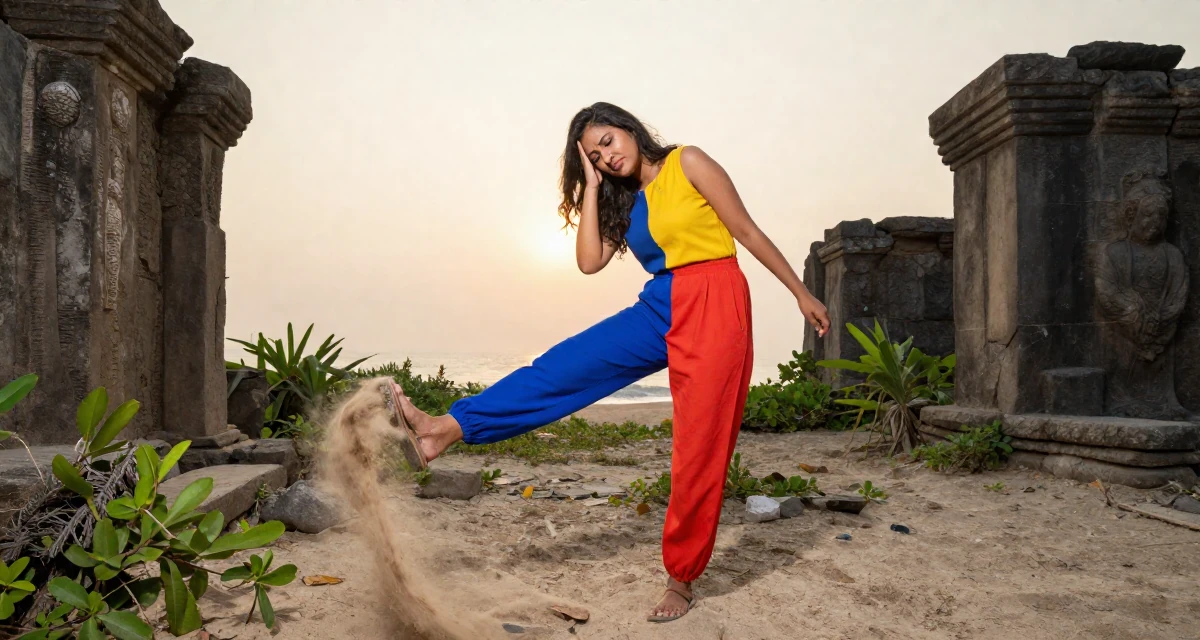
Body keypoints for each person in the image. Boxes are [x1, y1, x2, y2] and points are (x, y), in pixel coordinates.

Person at [390, 102, 830, 623]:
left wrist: (801, 293)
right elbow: (589, 261)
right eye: (594, 154)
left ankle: (681, 579)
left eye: (608, 141)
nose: (606, 155)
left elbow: (748, 232)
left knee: (698, 444)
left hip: (715, 296)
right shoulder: (625, 199)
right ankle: (443, 430)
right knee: (565, 365)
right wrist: (593, 190)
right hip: (661, 302)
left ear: (629, 128)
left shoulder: (687, 163)